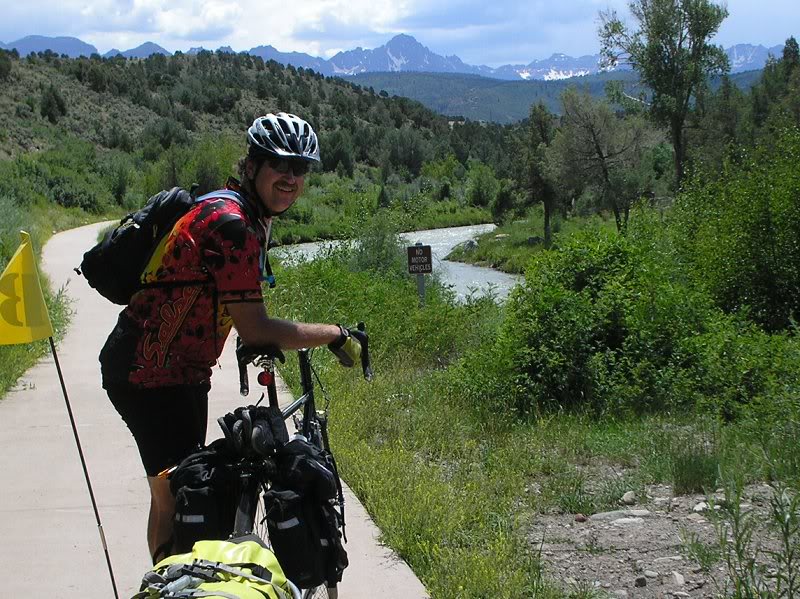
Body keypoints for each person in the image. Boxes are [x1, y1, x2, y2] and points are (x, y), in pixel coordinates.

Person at [98, 112, 364, 564]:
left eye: (301, 169)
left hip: (168, 369)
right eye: (280, 165)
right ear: (254, 164)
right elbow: (256, 325)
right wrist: (334, 335)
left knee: (172, 492)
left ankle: (171, 580)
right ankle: (173, 586)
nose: (291, 177)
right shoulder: (233, 224)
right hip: (152, 373)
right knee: (179, 496)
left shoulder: (234, 208)